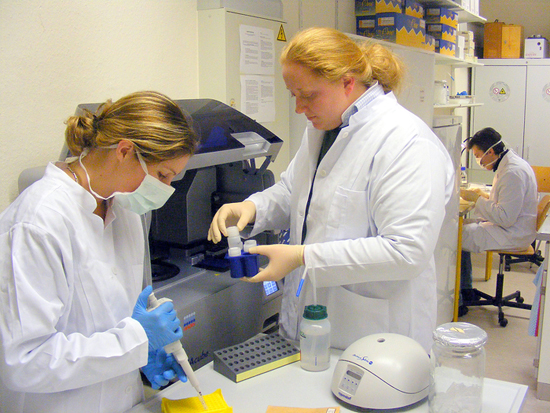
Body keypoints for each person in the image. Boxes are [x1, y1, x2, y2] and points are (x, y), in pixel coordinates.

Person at [208, 27, 455, 352]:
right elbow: (295, 194)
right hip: (309, 324)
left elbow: (405, 252)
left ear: (348, 82)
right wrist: (253, 208)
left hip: (374, 338)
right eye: (293, 94)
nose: (299, 107)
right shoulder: (324, 130)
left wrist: (303, 256)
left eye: (308, 95)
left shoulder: (406, 144)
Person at [0, 91, 199, 413]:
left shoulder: (127, 209)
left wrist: (143, 355)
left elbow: (122, 315)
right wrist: (136, 340)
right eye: (163, 174)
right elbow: (24, 362)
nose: (166, 189)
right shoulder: (37, 222)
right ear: (124, 151)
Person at [459, 127, 537, 312]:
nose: (478, 160)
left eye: (478, 155)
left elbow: (505, 217)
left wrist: (477, 199)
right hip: (512, 226)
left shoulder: (512, 173)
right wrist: (484, 195)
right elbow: (506, 201)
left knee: (455, 235)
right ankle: (466, 288)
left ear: (490, 152)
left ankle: (460, 301)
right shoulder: (509, 162)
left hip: (513, 232)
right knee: (461, 226)